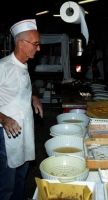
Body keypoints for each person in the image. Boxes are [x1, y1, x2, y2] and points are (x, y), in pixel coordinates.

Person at [0, 19, 43, 200]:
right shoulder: (3, 67)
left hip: (25, 132)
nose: (38, 49)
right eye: (36, 44)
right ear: (20, 43)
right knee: (6, 185)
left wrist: (33, 97)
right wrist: (3, 118)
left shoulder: (25, 65)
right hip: (6, 136)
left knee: (21, 178)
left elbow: (23, 86)